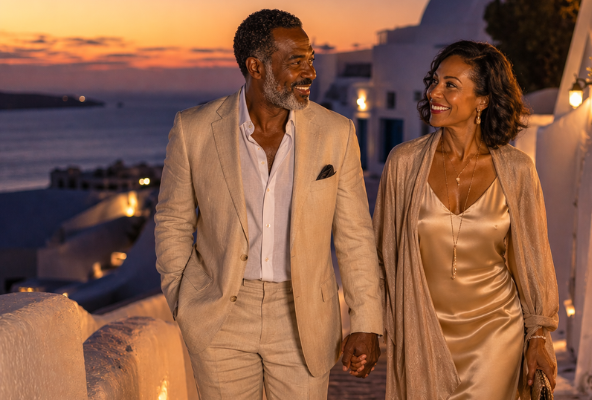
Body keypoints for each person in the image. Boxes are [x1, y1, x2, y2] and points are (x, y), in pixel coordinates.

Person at [154, 9, 383, 399]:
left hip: (303, 316)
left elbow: (354, 235)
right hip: (220, 314)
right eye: (296, 62)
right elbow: (172, 221)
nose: (310, 72)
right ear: (256, 66)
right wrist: (183, 299)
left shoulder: (336, 133)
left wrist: (366, 320)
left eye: (311, 60)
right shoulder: (193, 129)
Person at [372, 40, 560, 399]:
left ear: (483, 100)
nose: (434, 92)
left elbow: (534, 259)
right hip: (422, 332)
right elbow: (381, 254)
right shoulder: (404, 163)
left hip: (496, 335)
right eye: (434, 81)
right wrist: (369, 325)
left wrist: (538, 334)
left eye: (450, 85)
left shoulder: (517, 170)